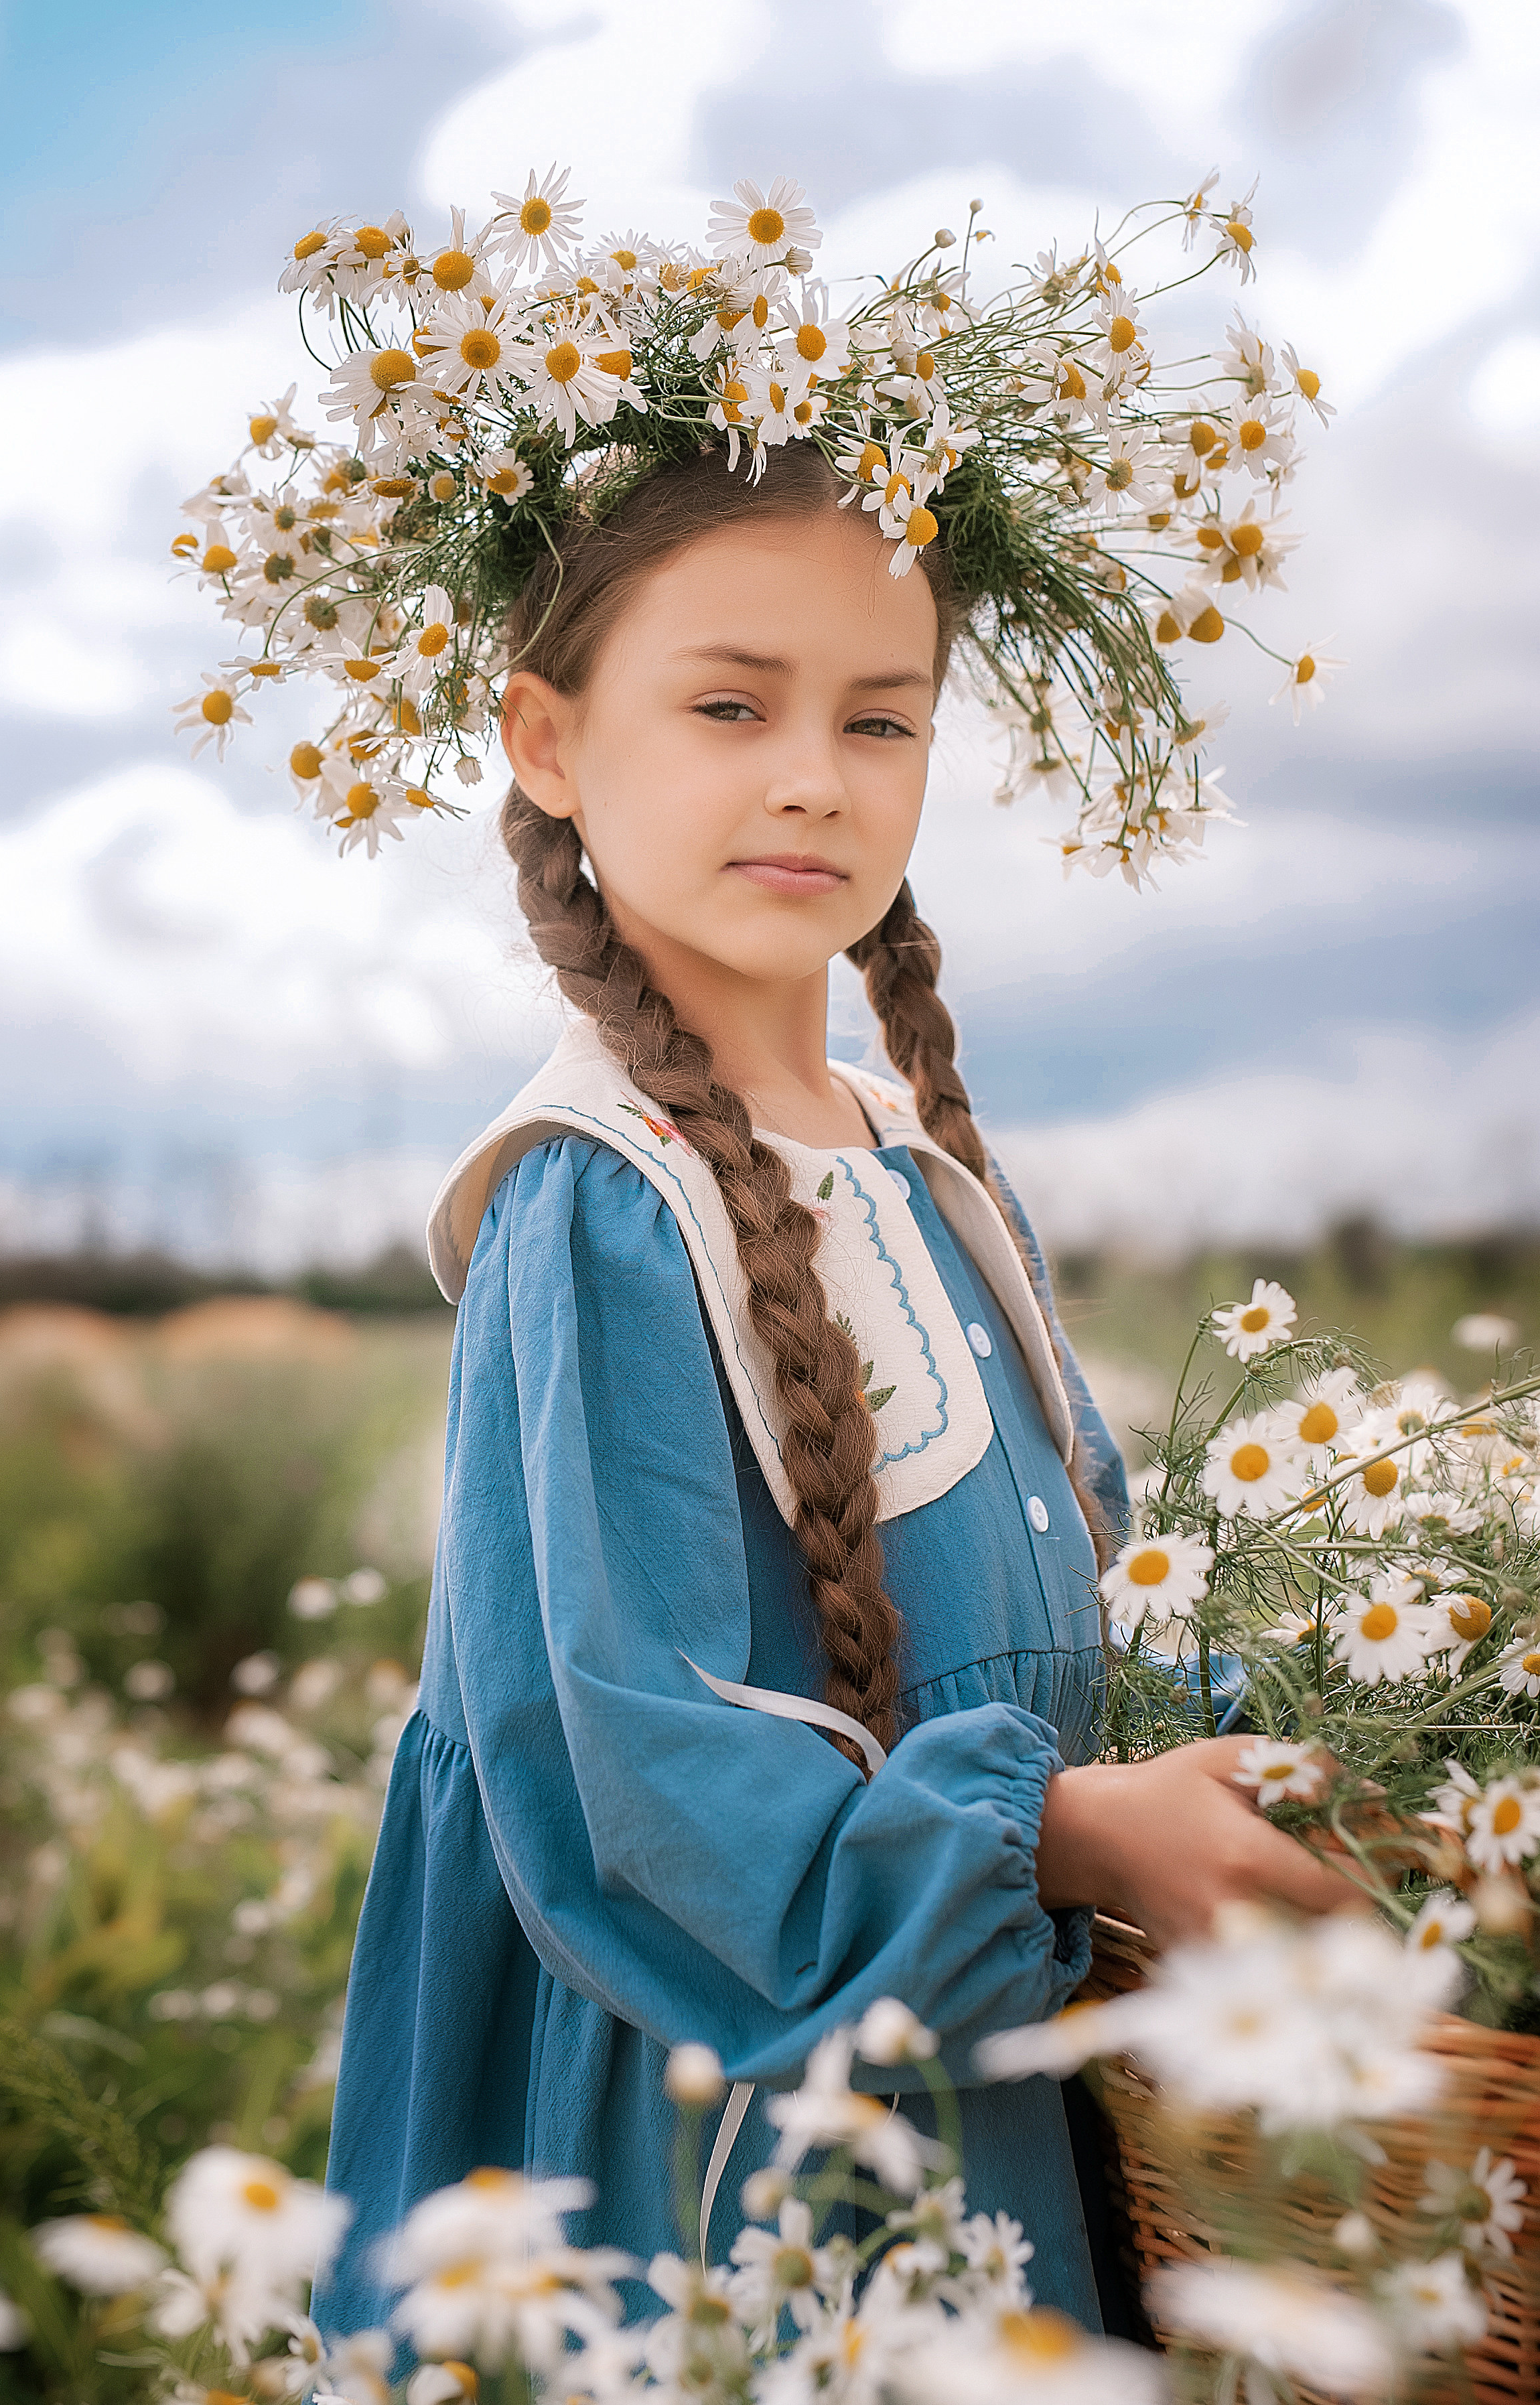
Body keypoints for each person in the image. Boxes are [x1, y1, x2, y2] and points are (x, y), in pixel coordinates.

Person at [314, 441, 1357, 2339]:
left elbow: (1068, 1640)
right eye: (729, 704)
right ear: (546, 740)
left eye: (882, 721)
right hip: (732, 2134)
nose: (814, 774)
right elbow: (638, 1786)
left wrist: (1303, 1752)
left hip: (976, 2080)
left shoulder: (913, 1155)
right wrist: (1078, 1831)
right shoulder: (601, 1206)